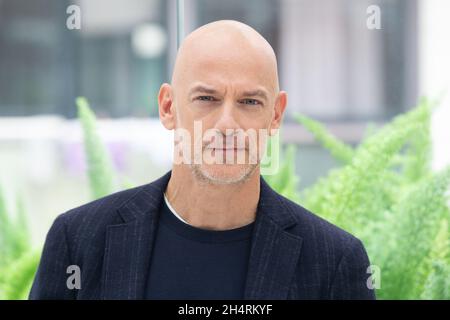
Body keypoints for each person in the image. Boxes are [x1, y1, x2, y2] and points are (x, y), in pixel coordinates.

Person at [29, 20, 376, 300]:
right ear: (168, 107)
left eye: (250, 102)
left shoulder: (334, 261)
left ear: (276, 114)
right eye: (207, 98)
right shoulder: (79, 240)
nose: (227, 124)